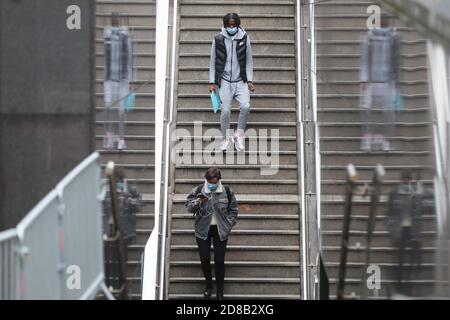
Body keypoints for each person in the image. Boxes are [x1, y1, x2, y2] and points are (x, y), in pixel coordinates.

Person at [185, 168, 238, 300]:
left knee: (219, 261)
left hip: (220, 230)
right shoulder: (198, 190)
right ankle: (209, 285)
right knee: (204, 259)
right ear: (206, 180)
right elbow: (188, 207)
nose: (212, 184)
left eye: (214, 182)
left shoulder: (226, 191)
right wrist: (198, 202)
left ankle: (220, 291)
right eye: (209, 182)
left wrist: (228, 224)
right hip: (203, 230)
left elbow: (233, 209)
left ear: (218, 180)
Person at [209, 13, 255, 152]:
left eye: (233, 25)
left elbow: (249, 61)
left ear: (237, 25)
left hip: (240, 80)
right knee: (226, 111)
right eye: (228, 25)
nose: (231, 27)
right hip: (224, 81)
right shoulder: (218, 39)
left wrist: (250, 80)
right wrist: (212, 81)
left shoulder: (245, 38)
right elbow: (212, 61)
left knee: (246, 106)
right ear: (225, 25)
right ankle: (225, 138)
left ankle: (239, 133)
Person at [385, 169, 433, 296]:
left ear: (411, 180)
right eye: (404, 179)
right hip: (400, 230)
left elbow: (428, 205)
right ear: (401, 180)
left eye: (408, 179)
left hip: (413, 230)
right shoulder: (394, 192)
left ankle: (408, 285)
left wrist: (421, 191)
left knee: (412, 260)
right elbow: (389, 211)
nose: (406, 181)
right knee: (399, 259)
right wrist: (390, 227)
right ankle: (398, 285)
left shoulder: (417, 192)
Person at [359, 14, 400, 152]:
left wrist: (396, 80)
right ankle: (367, 138)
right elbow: (364, 58)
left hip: (387, 81)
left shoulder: (394, 38)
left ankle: (386, 139)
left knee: (389, 112)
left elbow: (397, 60)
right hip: (371, 80)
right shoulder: (369, 37)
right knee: (366, 110)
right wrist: (364, 79)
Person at [103, 13, 134, 150]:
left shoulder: (125, 37)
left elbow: (130, 58)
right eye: (113, 20)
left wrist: (130, 79)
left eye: (116, 21)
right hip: (110, 78)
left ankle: (121, 138)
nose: (115, 23)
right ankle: (109, 136)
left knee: (121, 111)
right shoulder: (108, 36)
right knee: (109, 108)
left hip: (122, 79)